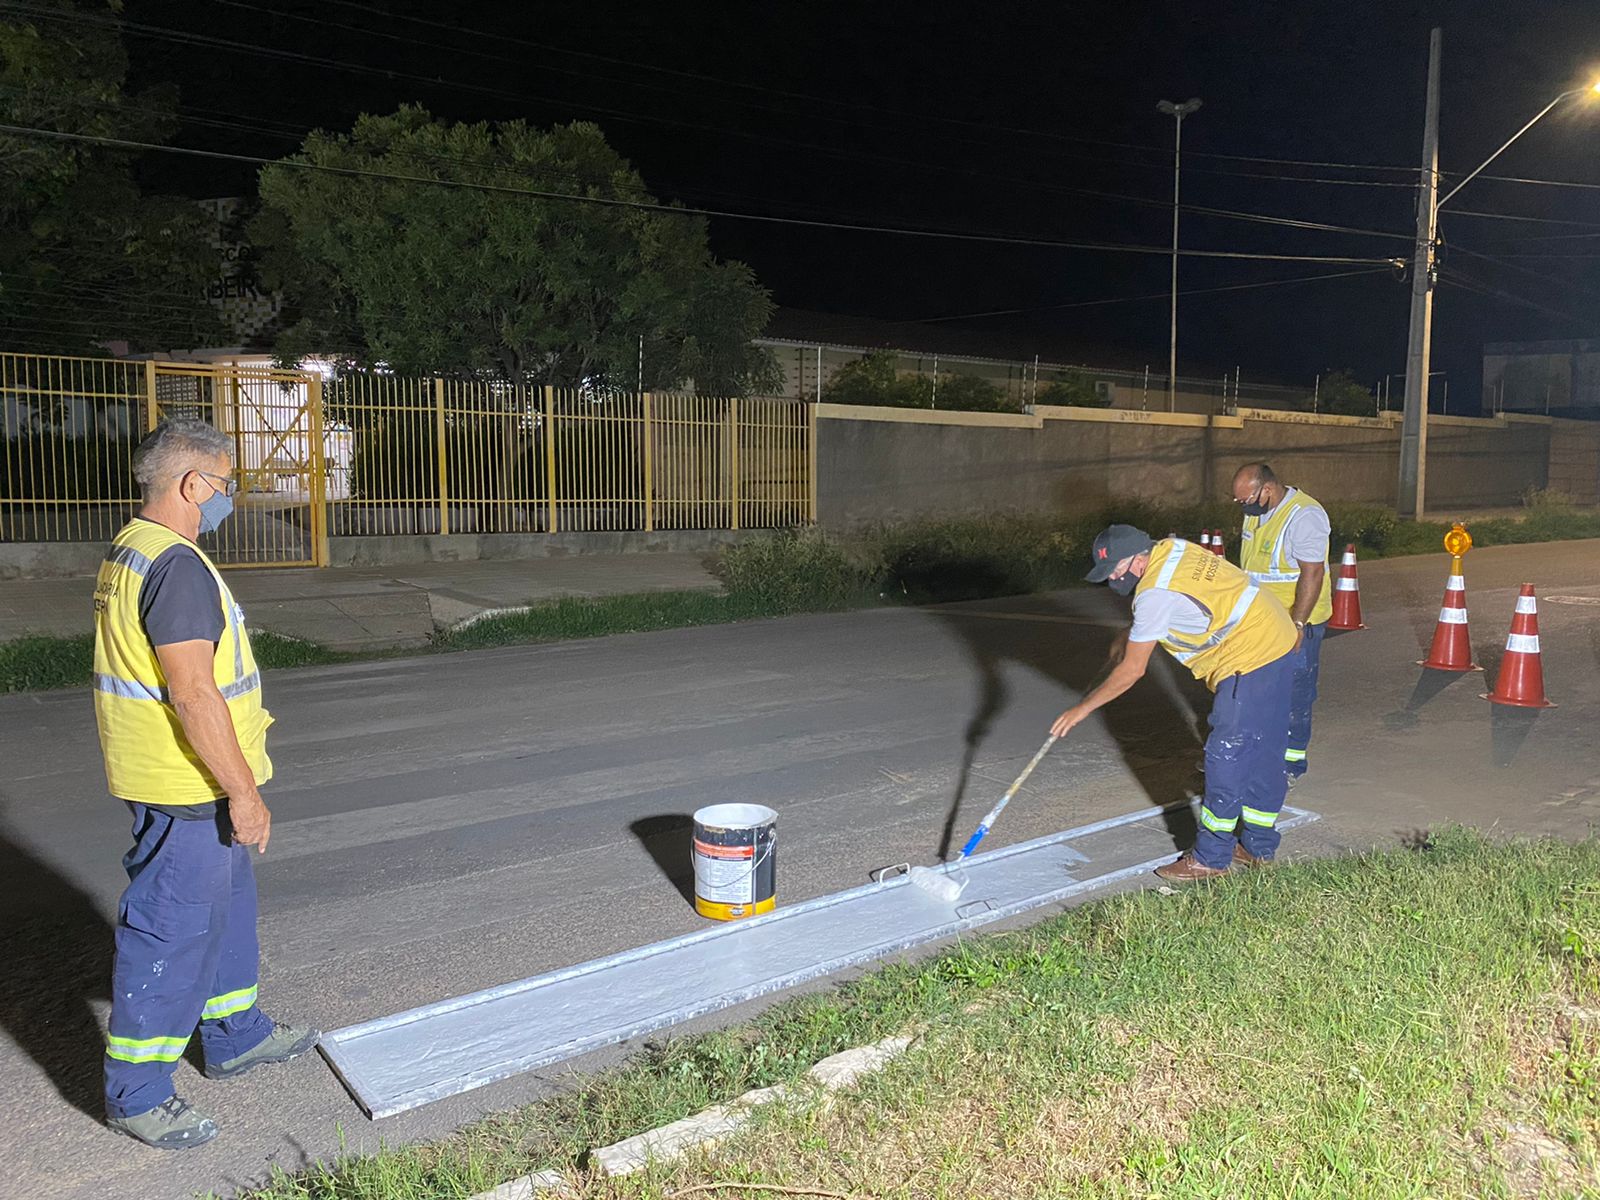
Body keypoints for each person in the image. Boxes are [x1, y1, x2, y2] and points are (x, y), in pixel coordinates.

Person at [94, 419, 316, 1150]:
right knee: (173, 930)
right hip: (186, 781)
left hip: (186, 777)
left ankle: (234, 1034)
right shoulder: (178, 566)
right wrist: (242, 792)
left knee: (226, 913)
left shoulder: (134, 548)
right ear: (193, 484)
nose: (225, 500)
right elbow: (193, 693)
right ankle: (138, 1092)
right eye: (223, 486)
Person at [1051, 525, 1297, 881]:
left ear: (1137, 559)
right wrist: (1132, 634)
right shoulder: (1171, 549)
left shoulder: (1152, 594)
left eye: (1116, 570)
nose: (1113, 580)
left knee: (1225, 756)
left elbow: (1132, 671)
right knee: (1263, 750)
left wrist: (1082, 709)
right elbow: (1179, 595)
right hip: (1276, 635)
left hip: (1249, 658)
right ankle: (1258, 847)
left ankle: (1211, 858)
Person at [1230, 463, 1331, 786]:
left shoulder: (1305, 516)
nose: (1242, 506)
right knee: (1250, 690)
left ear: (1268, 490)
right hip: (1259, 621)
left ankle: (1290, 764)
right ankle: (1249, 754)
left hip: (1297, 621)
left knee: (1294, 695)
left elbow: (1312, 573)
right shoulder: (1255, 512)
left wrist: (1297, 624)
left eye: (1245, 499)